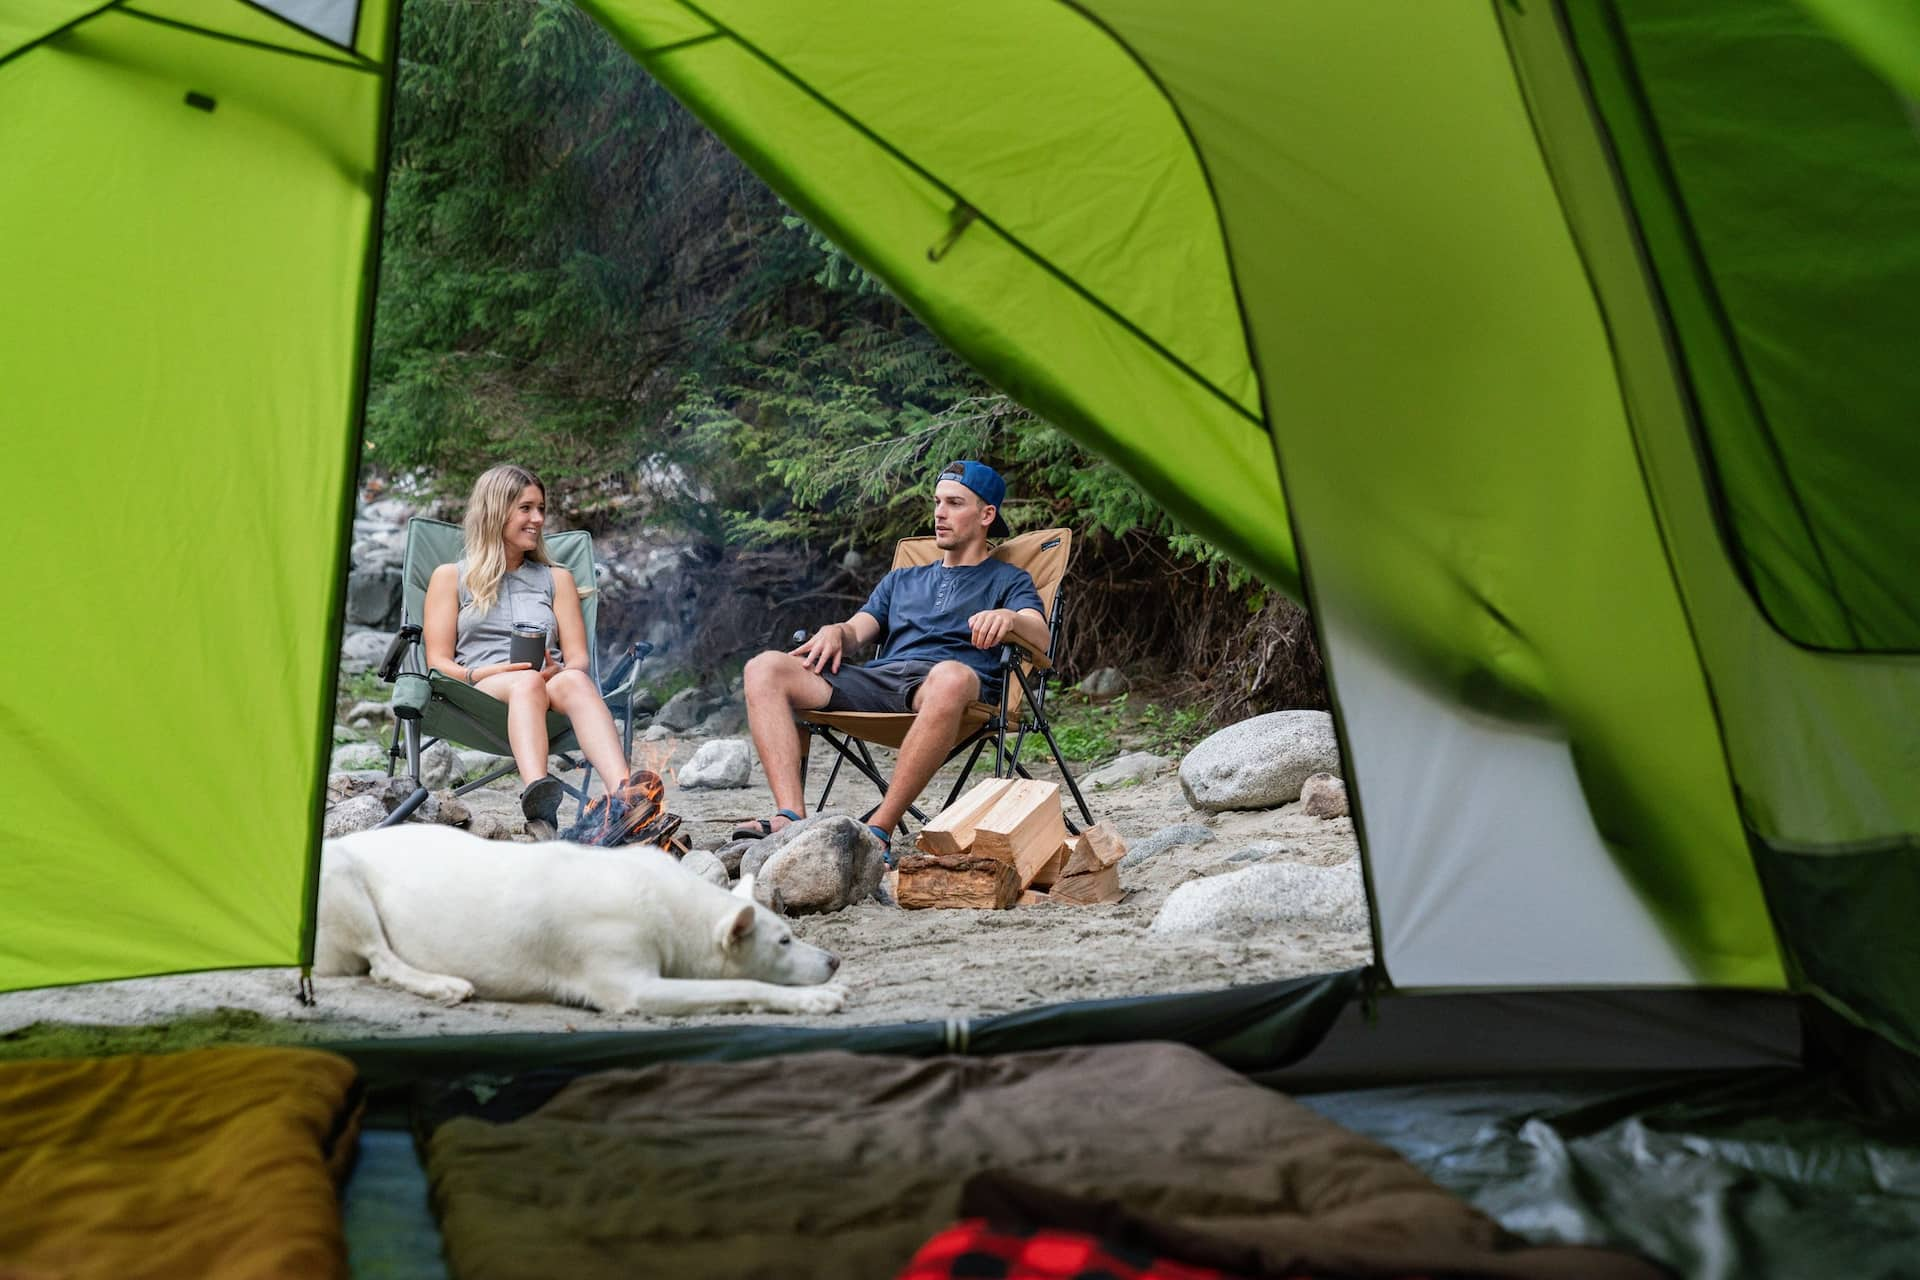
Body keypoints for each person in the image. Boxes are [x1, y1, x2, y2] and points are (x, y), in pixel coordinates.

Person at [734, 461, 1048, 861]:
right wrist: (837, 631)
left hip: (952, 690)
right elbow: (856, 630)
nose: (939, 513)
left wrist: (1010, 619)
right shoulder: (902, 580)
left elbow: (1040, 636)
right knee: (764, 668)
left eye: (954, 503)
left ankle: (878, 830)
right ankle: (790, 817)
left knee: (950, 676)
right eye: (937, 502)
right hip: (880, 683)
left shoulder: (1008, 580)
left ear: (987, 515)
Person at [422, 464, 633, 840]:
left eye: (540, 509)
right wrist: (478, 675)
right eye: (526, 508)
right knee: (525, 683)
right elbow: (437, 661)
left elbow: (579, 659)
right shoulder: (451, 577)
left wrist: (558, 669)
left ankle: (627, 799)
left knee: (575, 681)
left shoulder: (557, 579)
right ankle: (539, 800)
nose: (537, 519)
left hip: (547, 685)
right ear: (496, 511)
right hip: (479, 690)